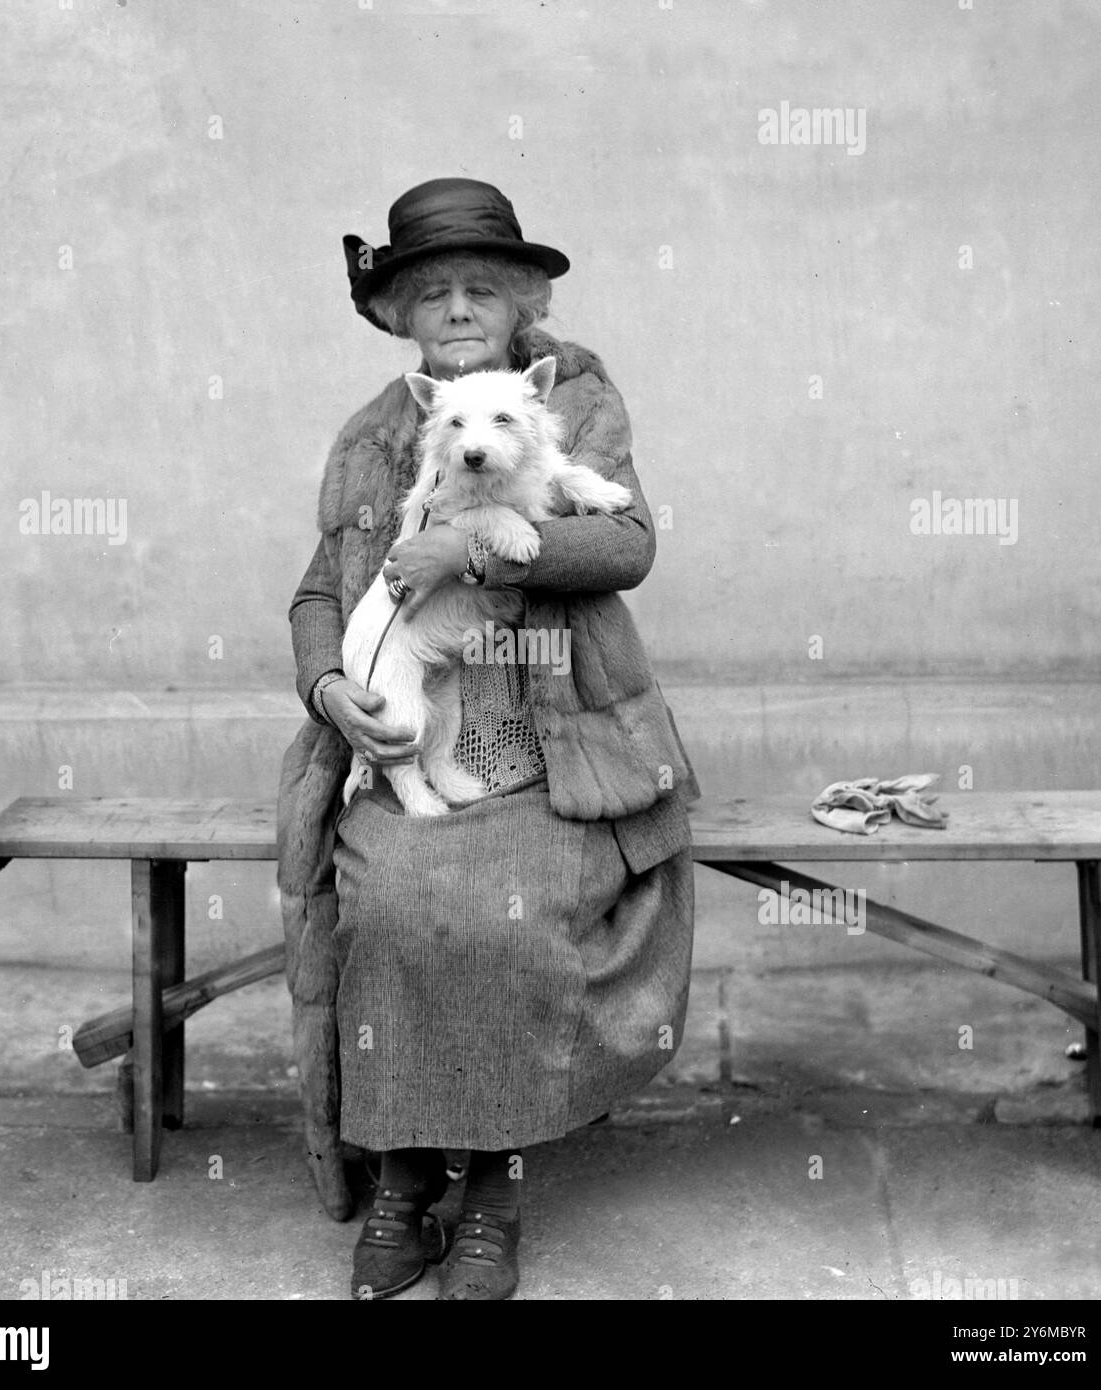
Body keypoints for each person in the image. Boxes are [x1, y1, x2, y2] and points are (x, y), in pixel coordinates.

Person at [278, 177, 698, 1301]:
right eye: (432, 293)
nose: (458, 306)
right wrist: (326, 685)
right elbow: (320, 591)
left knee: (505, 917)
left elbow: (623, 546)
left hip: (557, 737)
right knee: (396, 903)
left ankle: (493, 1196)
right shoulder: (376, 434)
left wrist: (465, 555)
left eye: (481, 287)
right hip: (411, 734)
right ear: (400, 317)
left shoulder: (576, 396)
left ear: (517, 306)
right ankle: (409, 1181)